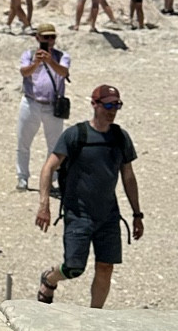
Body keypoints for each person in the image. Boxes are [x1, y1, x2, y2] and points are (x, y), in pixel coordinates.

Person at [35, 84, 144, 309]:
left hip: (108, 215)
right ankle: (50, 278)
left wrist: (137, 214)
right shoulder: (77, 135)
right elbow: (49, 168)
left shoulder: (120, 138)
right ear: (95, 104)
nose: (112, 110)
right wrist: (44, 205)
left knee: (105, 267)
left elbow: (128, 177)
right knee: (74, 267)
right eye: (108, 105)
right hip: (79, 214)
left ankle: (95, 315)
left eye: (117, 105)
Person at [17, 19, 70, 190]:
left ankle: (51, 179)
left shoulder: (62, 56)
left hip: (52, 106)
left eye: (52, 37)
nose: (49, 41)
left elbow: (64, 72)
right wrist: (37, 63)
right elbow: (24, 72)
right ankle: (22, 177)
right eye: (45, 37)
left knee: (54, 145)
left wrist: (50, 61)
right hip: (31, 102)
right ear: (37, 38)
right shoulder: (28, 54)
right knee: (23, 142)